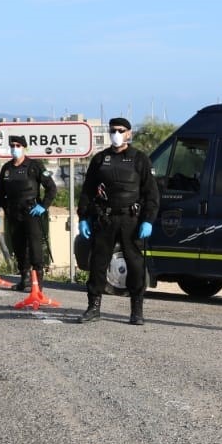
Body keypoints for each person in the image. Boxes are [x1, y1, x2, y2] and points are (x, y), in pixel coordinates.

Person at [78, 117, 159, 325]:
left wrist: (148, 220)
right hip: (104, 218)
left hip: (130, 219)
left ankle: (137, 310)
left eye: (120, 130)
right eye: (113, 130)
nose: (116, 134)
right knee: (98, 263)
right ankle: (93, 307)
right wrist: (83, 217)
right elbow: (87, 191)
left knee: (135, 265)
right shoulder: (100, 159)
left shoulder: (139, 159)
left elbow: (151, 194)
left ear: (129, 134)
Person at [0, 135, 58, 292]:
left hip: (32, 212)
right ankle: (24, 280)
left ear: (24, 147)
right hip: (13, 213)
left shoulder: (35, 166)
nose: (15, 148)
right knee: (19, 248)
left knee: (35, 248)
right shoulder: (6, 169)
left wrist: (43, 205)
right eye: (12, 145)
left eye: (18, 145)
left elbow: (52, 188)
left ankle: (37, 284)